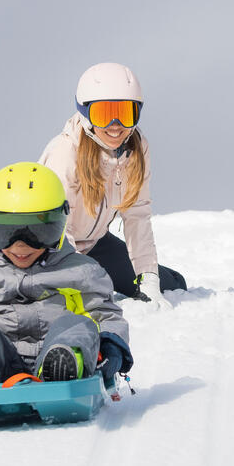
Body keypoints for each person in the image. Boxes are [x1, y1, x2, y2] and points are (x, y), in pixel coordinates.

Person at [0, 162, 133, 390]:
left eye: (37, 233)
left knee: (78, 323)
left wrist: (111, 349)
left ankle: (65, 370)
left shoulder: (81, 272)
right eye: (5, 233)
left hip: (57, 357)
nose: (20, 246)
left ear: (59, 224)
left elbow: (106, 317)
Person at [39, 62, 188, 304]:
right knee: (95, 297)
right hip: (57, 252)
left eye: (125, 113)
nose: (115, 125)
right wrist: (76, 279)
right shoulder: (65, 152)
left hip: (96, 244)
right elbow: (56, 226)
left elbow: (137, 216)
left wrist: (148, 279)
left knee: (174, 284)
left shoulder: (136, 149)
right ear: (85, 113)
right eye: (104, 114)